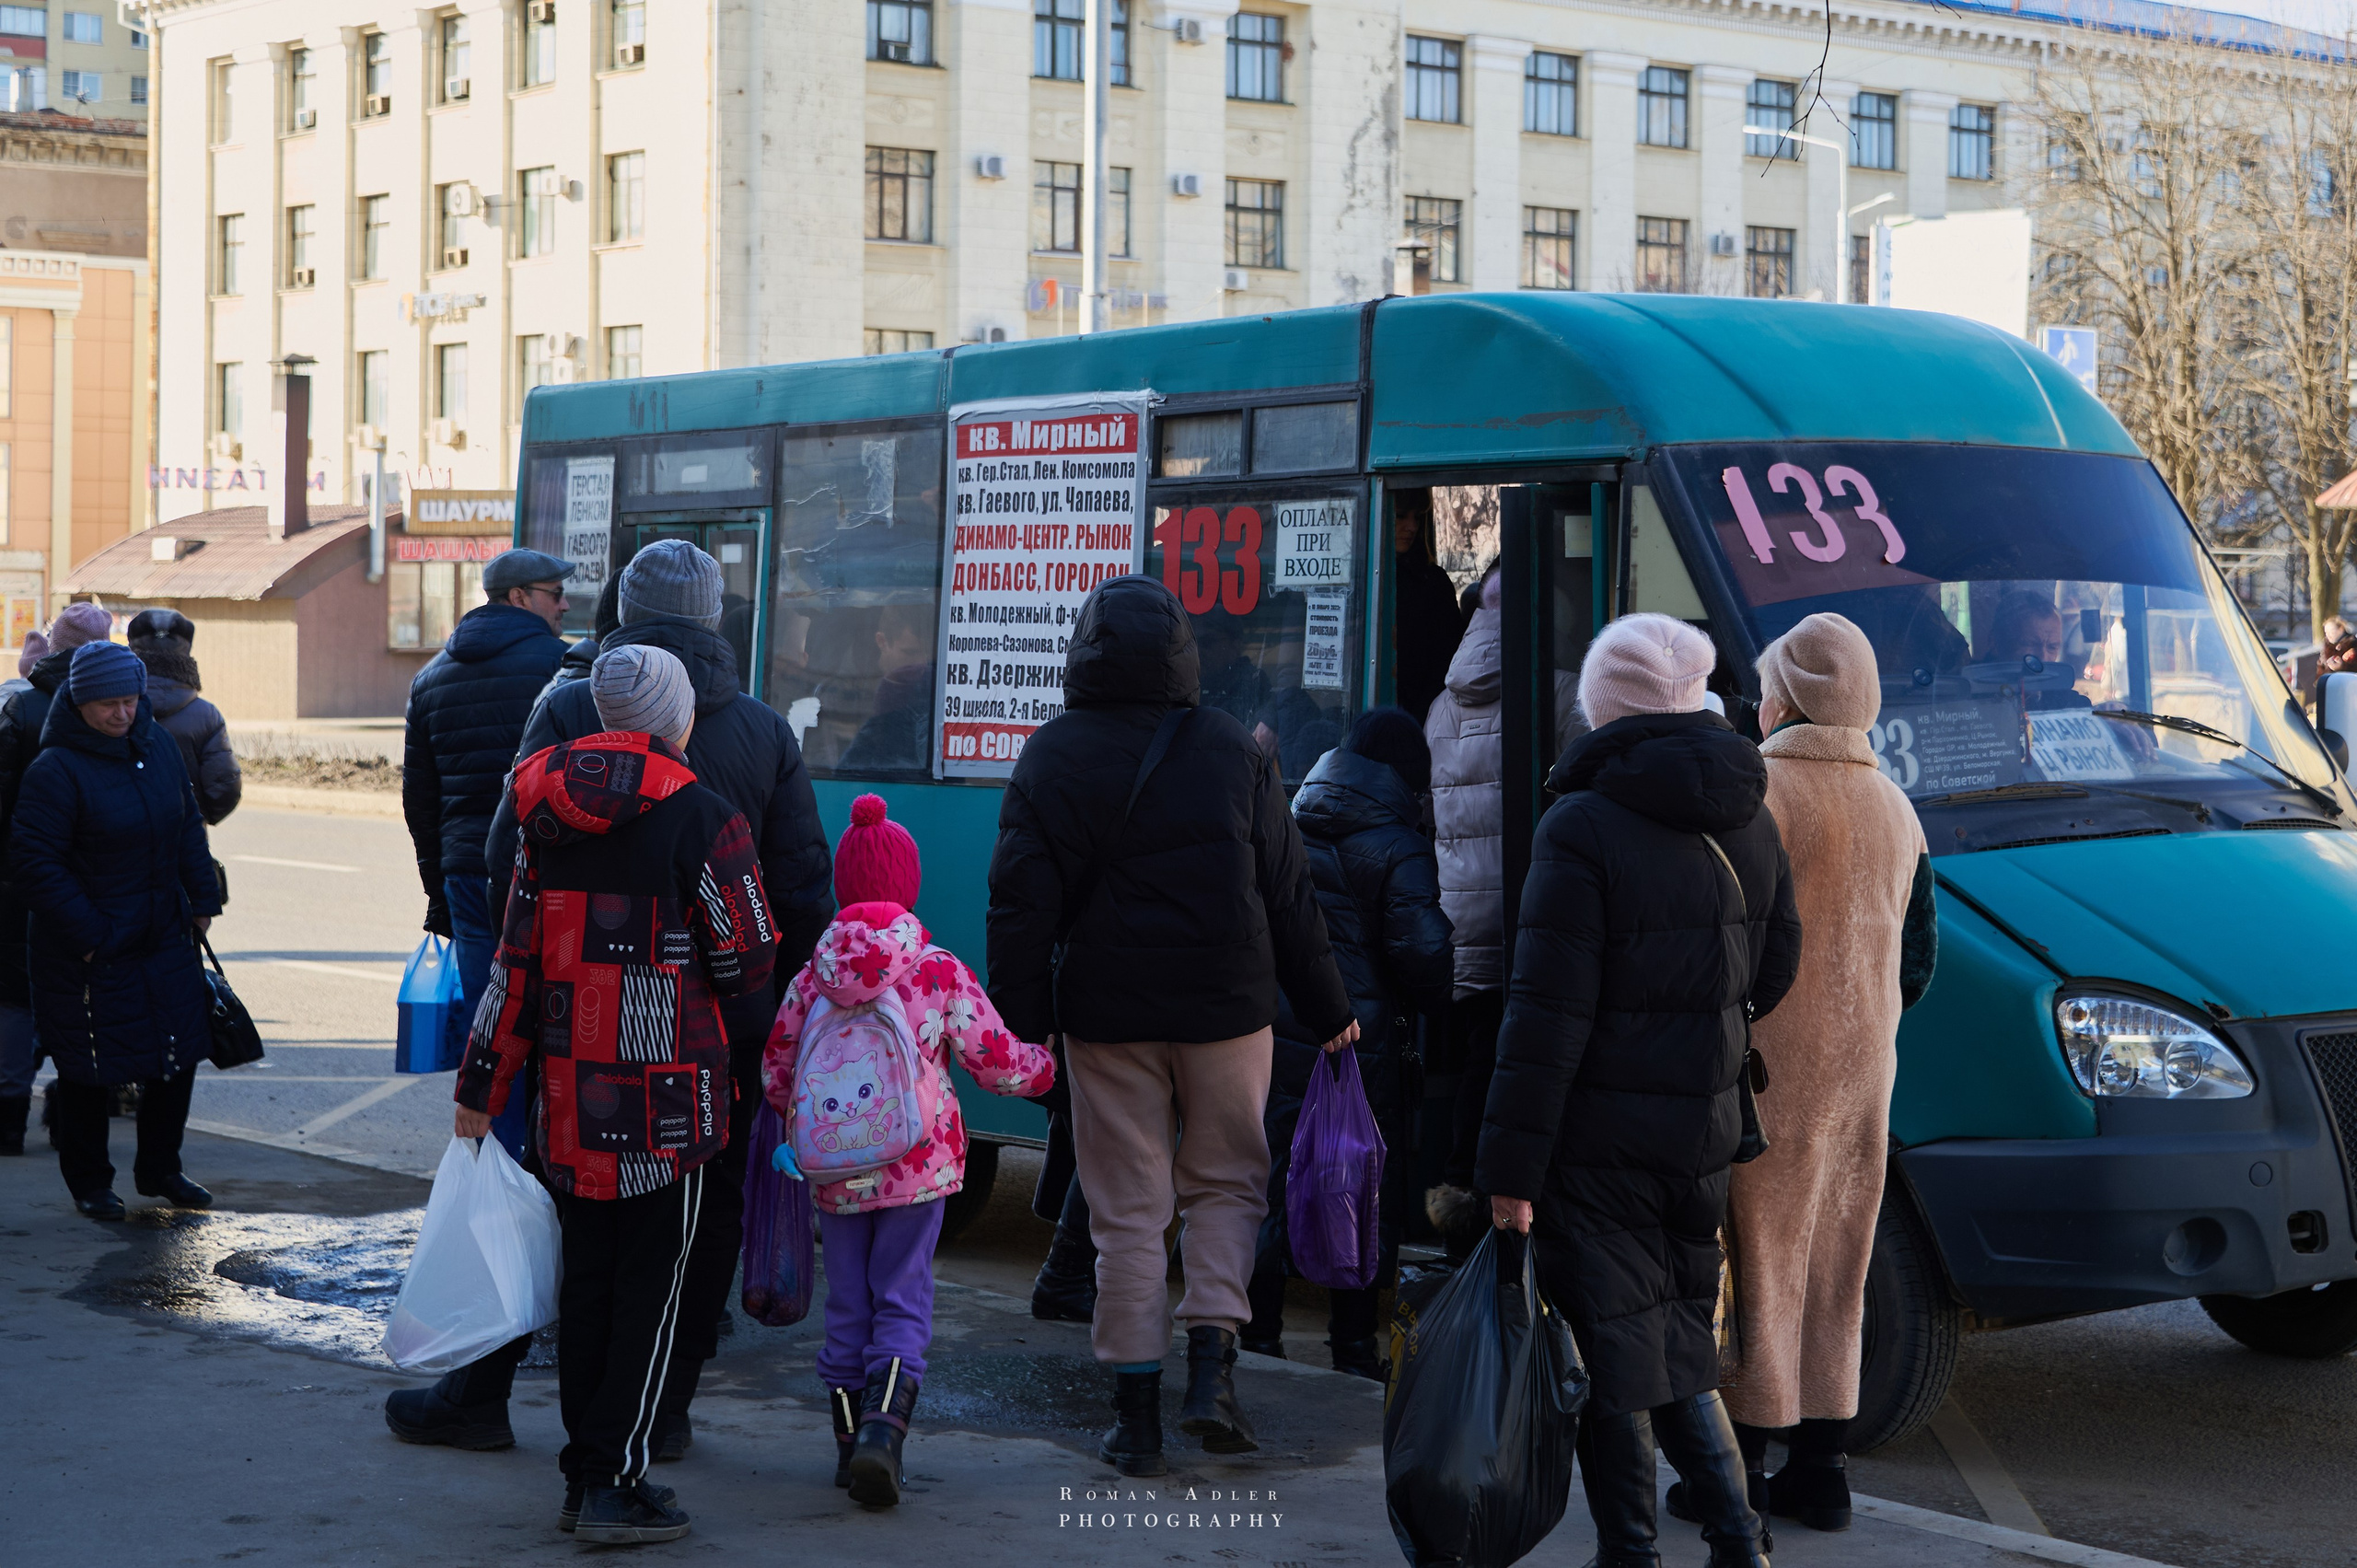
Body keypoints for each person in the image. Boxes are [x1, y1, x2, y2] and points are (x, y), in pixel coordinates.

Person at [468, 538, 832, 1459]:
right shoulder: (758, 731)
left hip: (574, 1037)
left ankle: (592, 1432)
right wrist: (769, 1034)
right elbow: (796, 892)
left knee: (588, 1232)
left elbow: (508, 869)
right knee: (698, 1226)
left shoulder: (564, 713)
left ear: (622, 611)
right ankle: (657, 1415)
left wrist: (495, 1060)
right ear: (716, 613)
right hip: (704, 1048)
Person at [985, 575, 1354, 1478]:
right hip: (1229, 1004)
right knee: (1228, 1183)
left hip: (1107, 1015)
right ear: (1183, 654)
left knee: (1126, 1209)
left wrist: (1024, 1024)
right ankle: (1211, 1379)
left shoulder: (1050, 755)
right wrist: (1331, 1009)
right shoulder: (1234, 747)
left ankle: (1135, 1417)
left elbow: (1019, 906)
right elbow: (1288, 890)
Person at [1477, 612, 1800, 1568]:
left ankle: (1631, 1551)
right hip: (1700, 1123)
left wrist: (1507, 1169)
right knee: (1676, 1335)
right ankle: (1739, 1542)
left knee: (1612, 1348)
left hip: (1594, 1134)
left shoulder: (1579, 823)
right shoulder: (1749, 808)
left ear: (1603, 707)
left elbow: (1544, 1018)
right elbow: (1774, 965)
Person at [452, 645, 777, 1546]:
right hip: (669, 1108)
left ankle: (584, 1468)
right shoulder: (705, 817)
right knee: (654, 1292)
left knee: (587, 1284)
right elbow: (747, 966)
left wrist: (482, 1083)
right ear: (677, 719)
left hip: (567, 1100)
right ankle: (611, 1478)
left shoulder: (542, 812)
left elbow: (514, 964)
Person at [1682, 614, 1935, 1536]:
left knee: (1754, 1255)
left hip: (1760, 1065)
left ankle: (1739, 1464)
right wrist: (1869, 1017)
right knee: (1839, 1253)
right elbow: (1918, 959)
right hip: (1866, 1066)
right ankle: (1823, 1469)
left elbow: (1720, 939)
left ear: (1786, 696)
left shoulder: (1754, 792)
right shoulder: (1898, 809)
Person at [761, 795, 1054, 1506]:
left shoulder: (811, 978)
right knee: (903, 1297)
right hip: (917, 1168)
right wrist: (1047, 1067)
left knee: (848, 1306)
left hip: (834, 1171)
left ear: (844, 884)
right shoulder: (934, 970)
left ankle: (844, 1447)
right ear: (908, 885)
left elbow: (777, 1072)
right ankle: (883, 1435)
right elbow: (993, 1059)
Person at [1242, 707, 1452, 1378]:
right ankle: (1354, 1348)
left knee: (1275, 1176)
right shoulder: (1401, 847)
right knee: (1357, 1184)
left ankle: (1259, 1333)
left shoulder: (1288, 821)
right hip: (1359, 1049)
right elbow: (1425, 961)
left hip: (1277, 1033)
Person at [10, 642, 223, 1219]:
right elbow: (34, 863)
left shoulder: (155, 747)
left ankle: (161, 1168)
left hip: (162, 933)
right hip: (88, 948)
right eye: (108, 704)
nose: (122, 714)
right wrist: (91, 933)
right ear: (80, 701)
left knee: (175, 1054)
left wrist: (202, 900)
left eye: (130, 701)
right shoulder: (55, 769)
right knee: (91, 1067)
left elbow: (186, 829)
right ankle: (90, 1182)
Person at [1420, 569, 1582, 1259]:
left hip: (1458, 919)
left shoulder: (1439, 708)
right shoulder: (1562, 689)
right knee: (1509, 1067)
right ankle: (1493, 1212)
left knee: (1474, 1063)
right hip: (1526, 917)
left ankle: (1458, 1196)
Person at [401, 546, 573, 1041]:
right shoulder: (564, 669)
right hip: (543, 870)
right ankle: (536, 1120)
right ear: (519, 597)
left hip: (468, 876)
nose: (564, 606)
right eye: (556, 595)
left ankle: (497, 1118)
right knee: (553, 1018)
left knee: (491, 1020)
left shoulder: (431, 677)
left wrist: (439, 892)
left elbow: (420, 803)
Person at [0, 608, 114, 1156]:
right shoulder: (115, 713)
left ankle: (7, 1121)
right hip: (90, 886)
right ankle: (72, 1118)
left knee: (17, 1002)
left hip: (17, 885)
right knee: (77, 1003)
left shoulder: (21, 707)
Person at [127, 609, 241, 825]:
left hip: (122, 834)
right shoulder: (206, 715)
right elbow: (225, 785)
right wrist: (197, 818)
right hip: (185, 836)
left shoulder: (110, 708)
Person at [1391, 491, 1468, 724]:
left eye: (1417, 518)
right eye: (1401, 516)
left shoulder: (1433, 582)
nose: (1411, 526)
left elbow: (1447, 659)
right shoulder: (1360, 579)